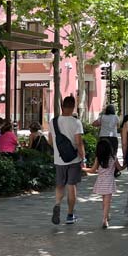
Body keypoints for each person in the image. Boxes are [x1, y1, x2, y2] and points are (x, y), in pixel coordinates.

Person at [50, 96, 85, 225]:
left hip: (59, 159)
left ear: (62, 106)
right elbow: (79, 142)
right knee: (71, 186)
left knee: (60, 185)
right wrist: (83, 157)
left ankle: (57, 204)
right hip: (74, 159)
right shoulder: (76, 122)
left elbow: (50, 140)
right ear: (73, 107)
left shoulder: (53, 122)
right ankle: (70, 215)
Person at [83, 139, 124, 229]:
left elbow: (92, 170)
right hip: (109, 181)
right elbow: (120, 168)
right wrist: (125, 165)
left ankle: (106, 215)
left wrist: (83, 169)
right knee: (107, 202)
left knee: (104, 201)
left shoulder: (99, 158)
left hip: (101, 181)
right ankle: (105, 220)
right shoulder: (113, 158)